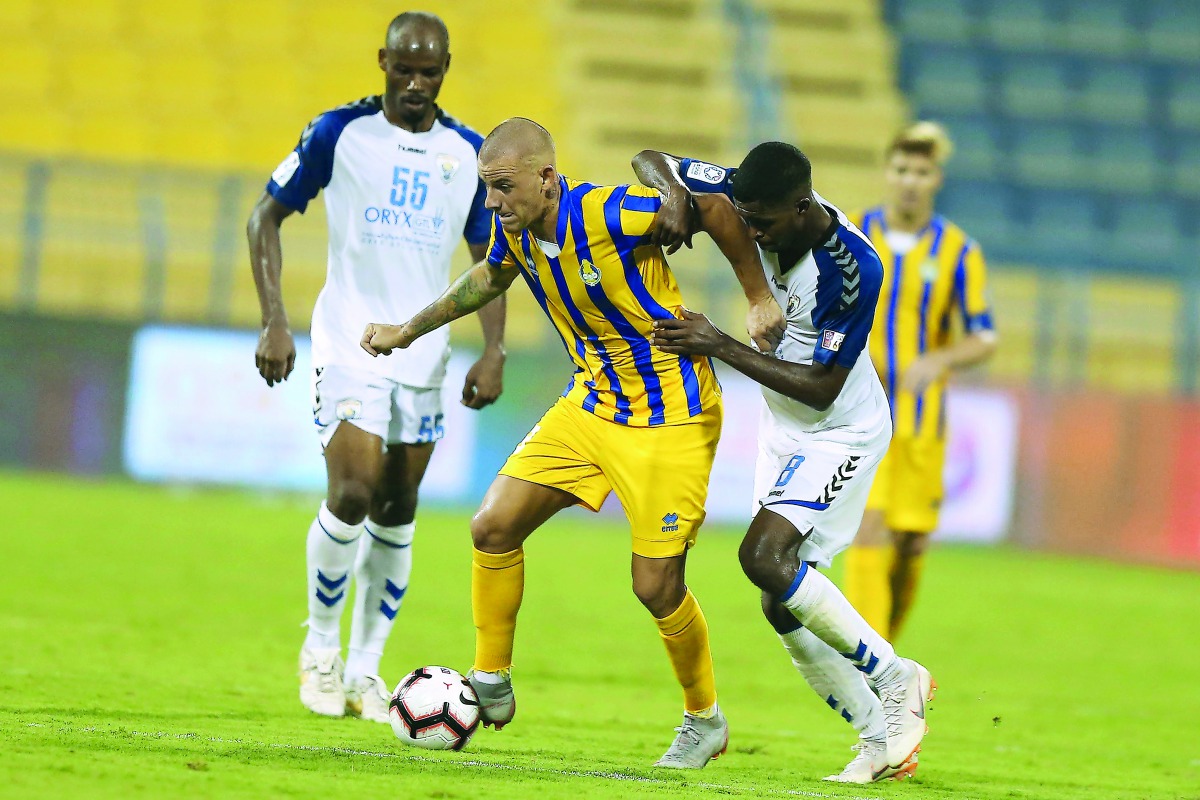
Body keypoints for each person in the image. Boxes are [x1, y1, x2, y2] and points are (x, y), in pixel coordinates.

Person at [360, 117, 784, 768]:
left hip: (671, 414)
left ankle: (704, 718)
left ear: (547, 179)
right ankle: (490, 678)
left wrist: (756, 299)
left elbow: (720, 210)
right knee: (493, 525)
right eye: (486, 190)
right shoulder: (516, 233)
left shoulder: (609, 213)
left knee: (656, 587)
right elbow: (487, 278)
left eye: (503, 188)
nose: (494, 204)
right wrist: (408, 330)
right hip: (590, 403)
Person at [633, 143, 934, 783]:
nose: (752, 230)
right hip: (784, 430)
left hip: (840, 429)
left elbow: (823, 384)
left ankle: (898, 679)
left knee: (761, 559)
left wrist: (720, 345)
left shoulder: (854, 267)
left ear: (802, 208)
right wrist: (676, 198)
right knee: (780, 600)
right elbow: (650, 157)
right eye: (744, 215)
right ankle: (877, 737)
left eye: (763, 221)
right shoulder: (751, 199)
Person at [246, 12, 507, 723]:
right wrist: (275, 318)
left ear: (446, 69)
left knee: (397, 510)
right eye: (403, 69)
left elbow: (494, 262)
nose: (416, 84)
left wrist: (494, 348)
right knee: (354, 492)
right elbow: (263, 218)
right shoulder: (339, 133)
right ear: (382, 61)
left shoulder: (471, 153)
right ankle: (321, 653)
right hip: (349, 342)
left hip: (424, 357)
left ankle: (366, 671)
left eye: (429, 72)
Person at [844, 122, 998, 640]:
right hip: (860, 413)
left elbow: (984, 336)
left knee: (910, 544)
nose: (910, 180)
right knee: (869, 527)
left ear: (937, 179)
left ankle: (886, 645)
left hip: (921, 418)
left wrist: (940, 360)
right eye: (902, 169)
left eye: (922, 172)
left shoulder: (959, 252)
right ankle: (869, 661)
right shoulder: (852, 234)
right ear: (887, 172)